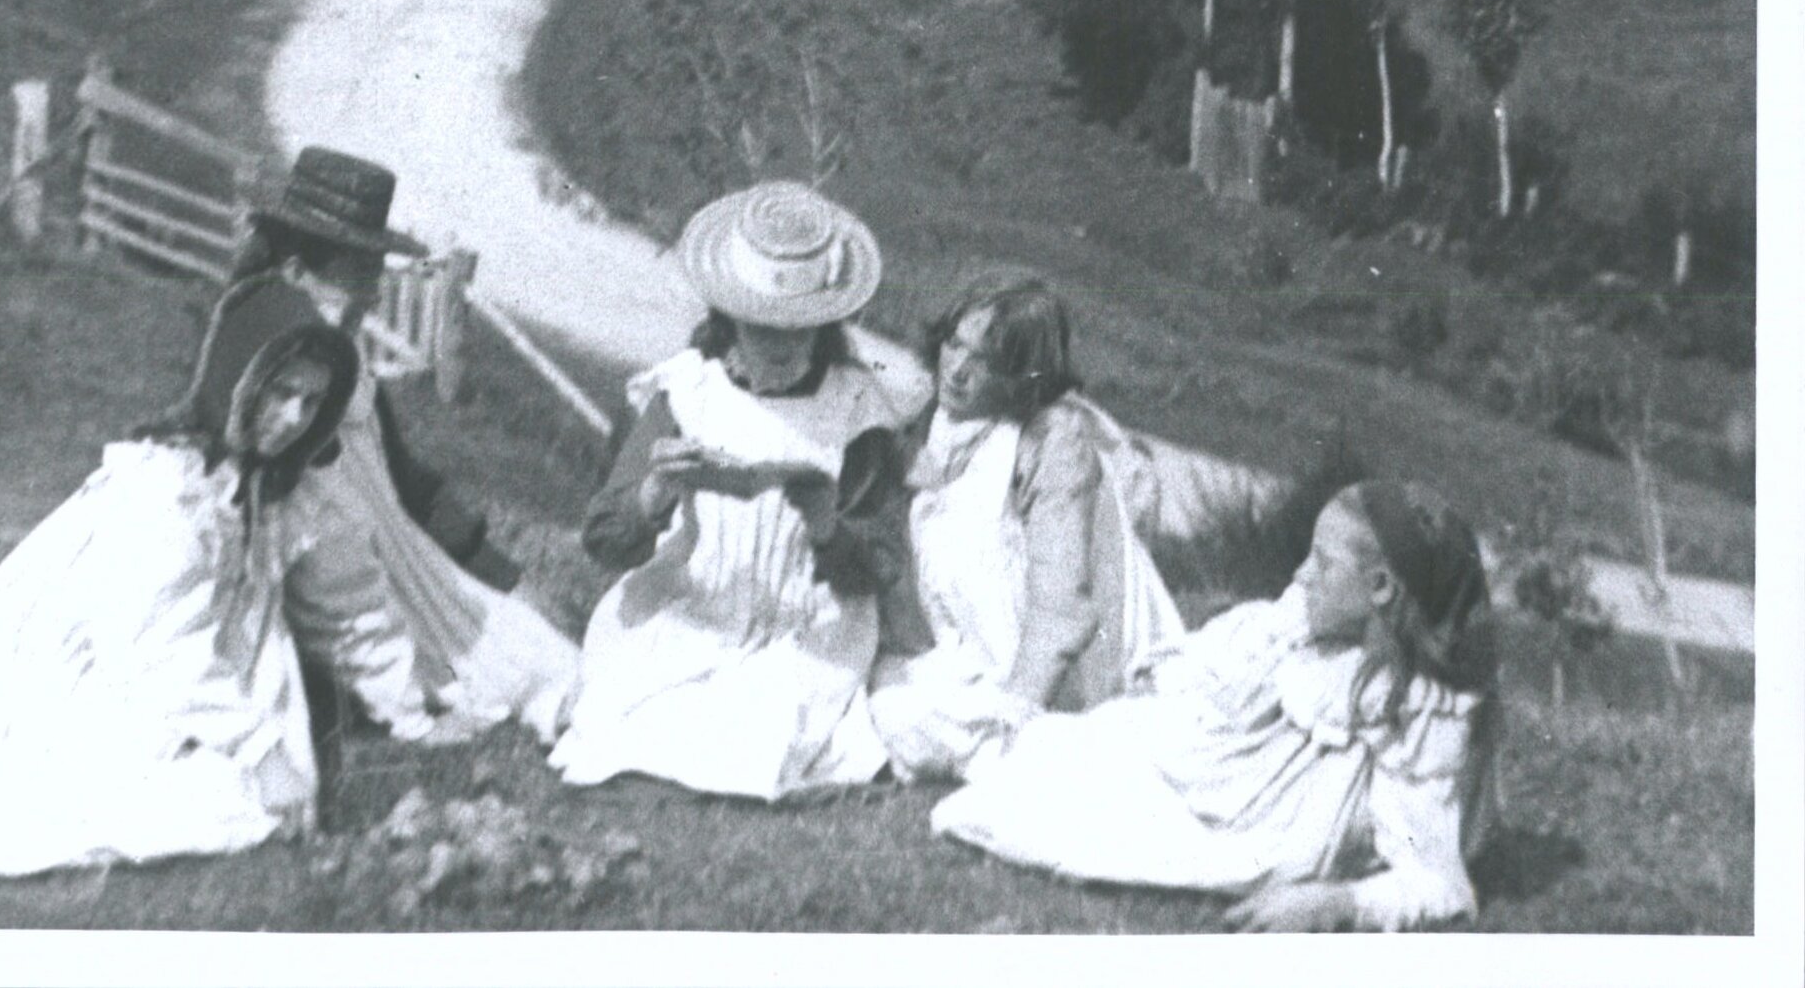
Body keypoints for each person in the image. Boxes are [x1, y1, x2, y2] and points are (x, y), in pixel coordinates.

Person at [0, 275, 448, 884]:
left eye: (311, 402)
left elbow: (346, 609)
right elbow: (154, 649)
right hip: (96, 667)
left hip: (180, 667)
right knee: (222, 798)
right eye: (280, 393)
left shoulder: (269, 492)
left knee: (260, 787)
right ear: (236, 385)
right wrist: (262, 750)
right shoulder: (168, 493)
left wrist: (409, 711)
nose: (295, 418)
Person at [930, 480, 1502, 932]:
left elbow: (1436, 880)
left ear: (1380, 589)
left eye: (1322, 563)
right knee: (1043, 750)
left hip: (1266, 825)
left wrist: (1335, 903)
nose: (1302, 573)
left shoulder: (1415, 709)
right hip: (1215, 766)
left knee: (1039, 809)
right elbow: (1232, 660)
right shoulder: (1309, 617)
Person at [550, 179, 909, 800]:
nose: (779, 347)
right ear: (729, 322)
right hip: (696, 601)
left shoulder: (855, 408)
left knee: (756, 733)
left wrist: (827, 527)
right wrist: (657, 490)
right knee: (631, 719)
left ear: (825, 329)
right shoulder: (689, 391)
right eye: (761, 329)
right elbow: (606, 540)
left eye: (799, 331)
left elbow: (880, 568)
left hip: (805, 624)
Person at [230, 148, 581, 745]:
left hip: (409, 575)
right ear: (293, 272)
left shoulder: (350, 362)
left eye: (375, 271)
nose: (372, 292)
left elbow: (408, 484)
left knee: (553, 662)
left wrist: (506, 577)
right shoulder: (252, 376)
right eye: (357, 273)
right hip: (320, 595)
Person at [868, 273, 1184, 781]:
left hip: (1069, 674)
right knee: (874, 706)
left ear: (1025, 376)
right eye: (954, 344)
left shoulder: (1055, 438)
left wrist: (1016, 717)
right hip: (980, 660)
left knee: (1021, 758)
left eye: (988, 361)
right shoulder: (939, 420)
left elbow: (1065, 612)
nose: (959, 370)